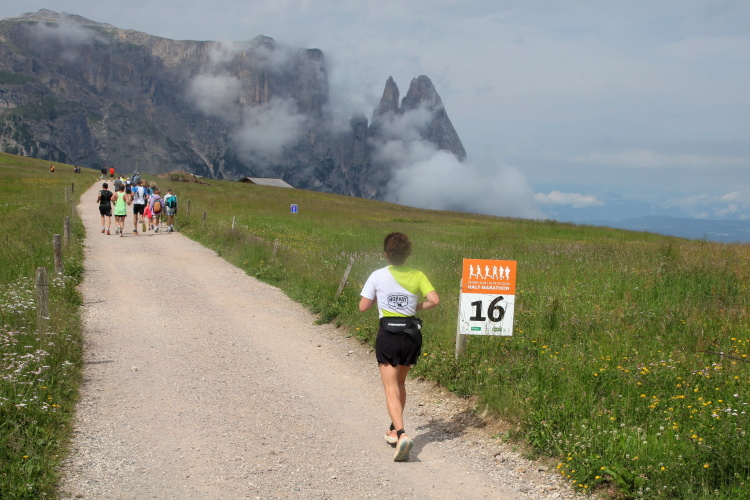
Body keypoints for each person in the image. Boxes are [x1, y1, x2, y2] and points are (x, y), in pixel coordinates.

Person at [359, 232, 440, 462]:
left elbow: (363, 307)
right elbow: (434, 300)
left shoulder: (377, 275)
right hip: (411, 335)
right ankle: (394, 430)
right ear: (407, 254)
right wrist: (413, 307)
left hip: (389, 335)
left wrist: (379, 299)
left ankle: (402, 434)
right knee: (400, 383)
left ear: (386, 254)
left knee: (390, 388)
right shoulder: (418, 275)